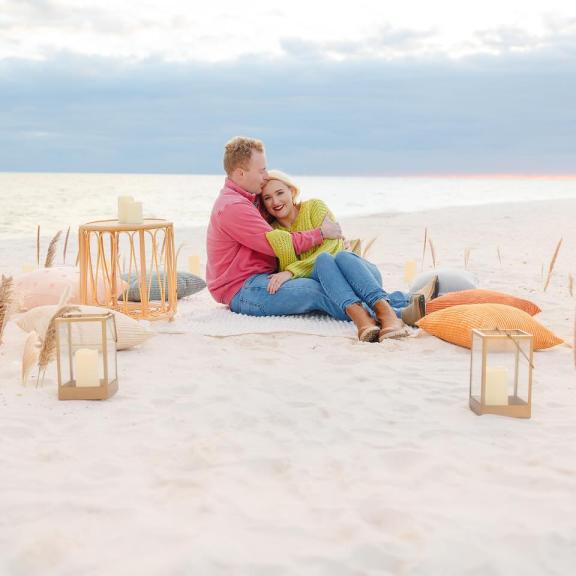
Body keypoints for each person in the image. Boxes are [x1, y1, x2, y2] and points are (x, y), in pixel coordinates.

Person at [206, 136, 407, 340]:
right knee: (317, 290)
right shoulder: (234, 207)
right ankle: (400, 312)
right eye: (261, 170)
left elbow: (289, 211)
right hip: (243, 288)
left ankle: (391, 308)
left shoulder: (253, 198)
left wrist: (334, 243)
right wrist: (320, 234)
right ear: (240, 173)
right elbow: (279, 245)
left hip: (264, 278)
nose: (265, 176)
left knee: (334, 271)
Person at [261, 170, 437, 341]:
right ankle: (373, 316)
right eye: (267, 198)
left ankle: (386, 312)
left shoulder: (314, 206)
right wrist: (292, 270)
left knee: (341, 257)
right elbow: (292, 267)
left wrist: (292, 271)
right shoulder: (275, 232)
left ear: (292, 192)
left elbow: (334, 246)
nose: (275, 201)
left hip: (359, 274)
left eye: (280, 193)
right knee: (324, 263)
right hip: (336, 288)